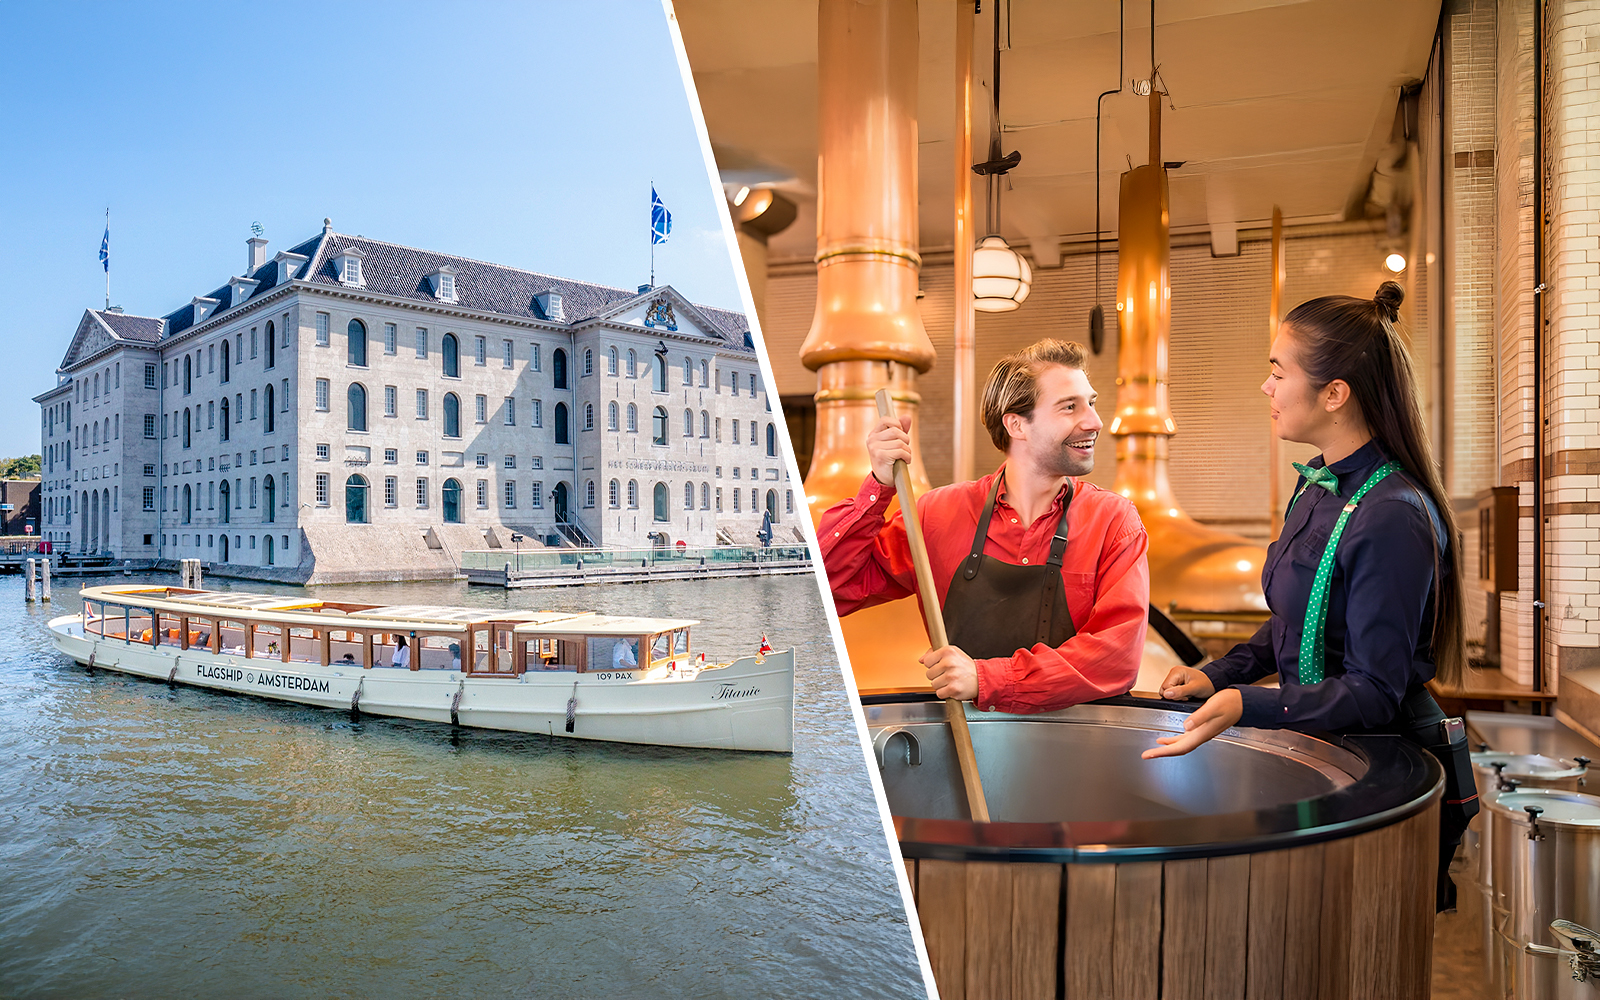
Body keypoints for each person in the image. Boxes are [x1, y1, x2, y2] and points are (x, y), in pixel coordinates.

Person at [1144, 281, 1477, 910]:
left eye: (1277, 371)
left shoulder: (1391, 512)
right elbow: (1297, 624)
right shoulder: (1316, 488)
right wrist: (1217, 676)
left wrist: (1251, 705)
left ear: (1334, 393)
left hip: (1380, 769)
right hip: (1322, 747)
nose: (1266, 388)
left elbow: (1375, 692)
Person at [819, 339, 1149, 713]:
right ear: (1016, 424)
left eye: (1091, 403)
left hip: (1074, 753)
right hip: (967, 748)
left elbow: (1115, 656)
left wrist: (987, 678)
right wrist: (879, 484)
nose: (1094, 421)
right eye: (1070, 407)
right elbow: (831, 586)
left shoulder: (1114, 521)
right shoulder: (937, 515)